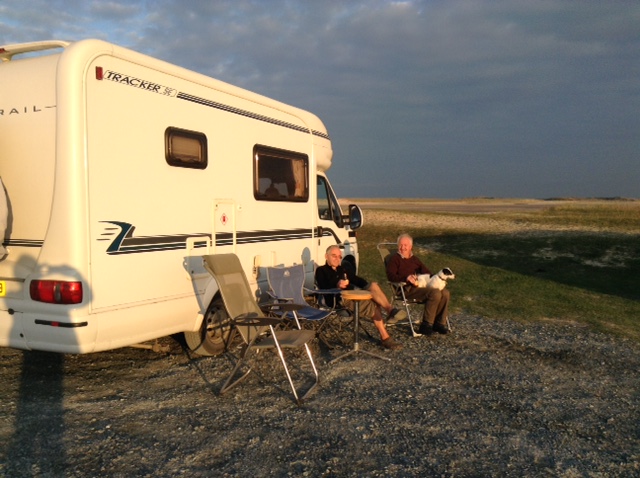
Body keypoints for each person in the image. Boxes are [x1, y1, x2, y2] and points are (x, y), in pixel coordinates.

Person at [315, 245, 404, 350]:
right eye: (334, 256)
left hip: (351, 295)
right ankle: (385, 337)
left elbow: (355, 279)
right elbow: (324, 286)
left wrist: (368, 286)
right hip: (338, 299)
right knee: (374, 304)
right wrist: (337, 284)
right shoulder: (321, 270)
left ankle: (390, 310)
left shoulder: (342, 269)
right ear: (326, 256)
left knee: (373, 286)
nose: (337, 259)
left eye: (339, 257)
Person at [385, 233, 451, 336]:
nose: (403, 247)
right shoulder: (394, 259)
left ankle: (439, 323)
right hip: (405, 288)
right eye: (400, 245)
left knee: (445, 293)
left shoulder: (414, 259)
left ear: (411, 246)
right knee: (434, 293)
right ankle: (426, 325)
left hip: (420, 286)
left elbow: (427, 273)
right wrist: (406, 278)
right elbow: (391, 276)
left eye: (405, 245)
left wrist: (437, 279)